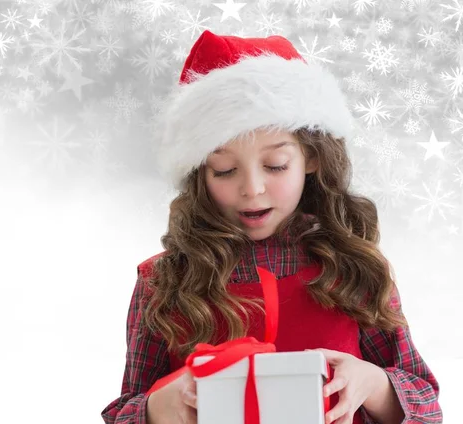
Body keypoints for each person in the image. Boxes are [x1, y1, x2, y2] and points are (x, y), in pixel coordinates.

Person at [101, 30, 442, 424]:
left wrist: (374, 384)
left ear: (311, 158)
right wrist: (157, 408)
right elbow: (124, 410)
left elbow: (427, 405)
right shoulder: (162, 281)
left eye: (275, 165)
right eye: (225, 170)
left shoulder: (357, 269)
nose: (252, 189)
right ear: (199, 173)